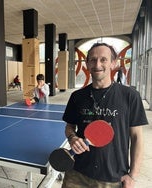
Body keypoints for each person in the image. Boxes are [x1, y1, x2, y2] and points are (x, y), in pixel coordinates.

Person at [62, 43, 148, 188]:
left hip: (112, 177)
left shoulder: (130, 96)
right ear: (88, 64)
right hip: (76, 173)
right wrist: (72, 138)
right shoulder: (77, 96)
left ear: (113, 63)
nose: (97, 64)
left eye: (103, 59)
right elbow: (69, 126)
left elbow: (137, 137)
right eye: (93, 60)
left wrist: (132, 175)